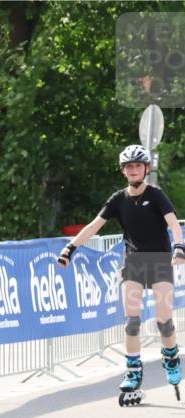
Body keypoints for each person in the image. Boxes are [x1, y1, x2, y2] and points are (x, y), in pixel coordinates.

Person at [57, 144, 184, 404]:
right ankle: (133, 372)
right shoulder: (118, 199)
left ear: (146, 169)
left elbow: (173, 222)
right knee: (132, 320)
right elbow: (94, 226)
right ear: (123, 171)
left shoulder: (156, 194)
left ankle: (170, 355)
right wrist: (70, 248)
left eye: (138, 165)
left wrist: (179, 247)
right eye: (129, 166)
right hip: (134, 261)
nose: (133, 170)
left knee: (163, 320)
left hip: (159, 260)